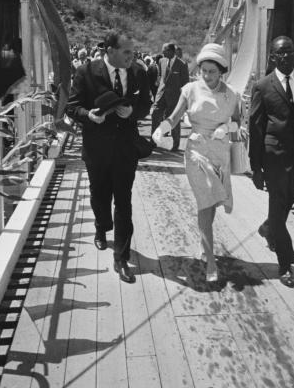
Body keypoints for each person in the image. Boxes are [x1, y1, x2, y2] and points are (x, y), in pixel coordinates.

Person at [66, 31, 152, 284]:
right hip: (97, 148)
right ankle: (101, 227)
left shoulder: (139, 72)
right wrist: (89, 116)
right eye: (126, 52)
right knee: (99, 195)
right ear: (110, 51)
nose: (132, 56)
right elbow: (72, 106)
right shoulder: (86, 72)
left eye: (133, 52)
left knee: (124, 202)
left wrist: (133, 112)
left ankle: (121, 258)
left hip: (126, 148)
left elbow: (146, 104)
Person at [152, 43, 242, 283]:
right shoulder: (190, 89)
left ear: (221, 70)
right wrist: (161, 129)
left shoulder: (231, 94)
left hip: (219, 152)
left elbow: (237, 126)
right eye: (204, 71)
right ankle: (211, 259)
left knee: (211, 203)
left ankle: (205, 245)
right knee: (205, 201)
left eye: (212, 71)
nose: (207, 76)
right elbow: (174, 117)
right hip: (195, 152)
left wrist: (226, 128)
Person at [248, 35, 294, 287]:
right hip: (273, 156)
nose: (287, 56)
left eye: (290, 52)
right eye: (282, 53)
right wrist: (255, 167)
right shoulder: (263, 86)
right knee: (278, 206)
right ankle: (285, 263)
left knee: (291, 197)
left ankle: (268, 227)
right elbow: (255, 128)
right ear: (273, 57)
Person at [151, 41, 191, 151]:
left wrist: (184, 101)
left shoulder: (182, 64)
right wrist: (158, 85)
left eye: (165, 50)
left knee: (173, 120)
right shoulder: (161, 61)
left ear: (172, 51)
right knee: (155, 115)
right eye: (163, 50)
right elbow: (160, 76)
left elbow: (186, 84)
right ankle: (153, 141)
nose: (163, 52)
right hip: (161, 95)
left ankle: (175, 144)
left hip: (174, 97)